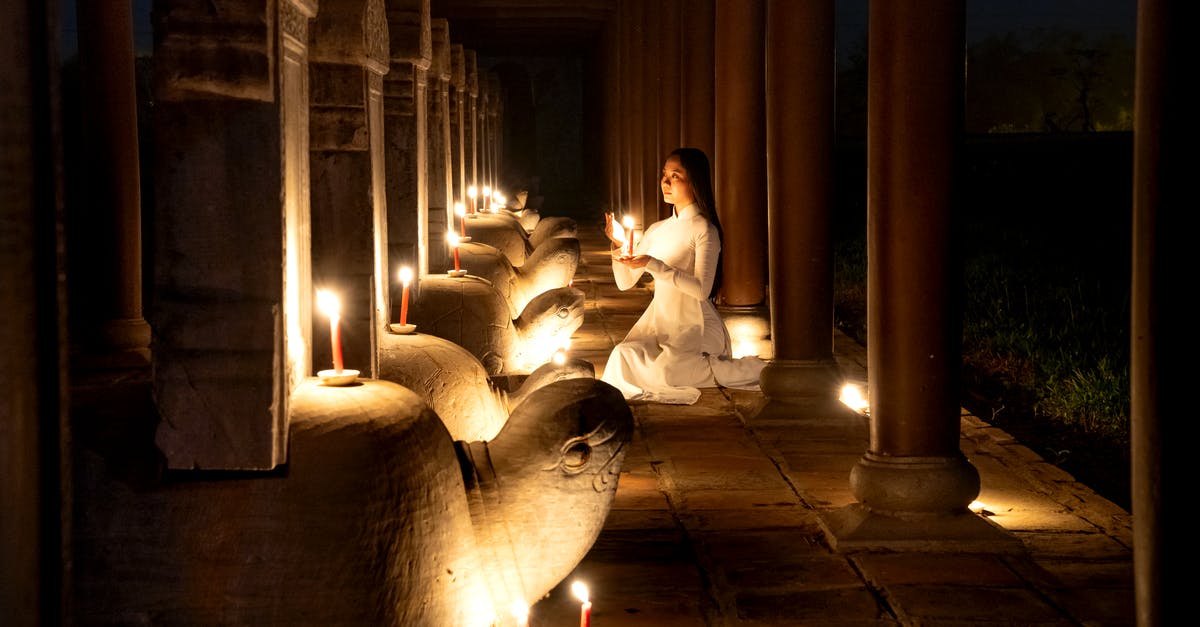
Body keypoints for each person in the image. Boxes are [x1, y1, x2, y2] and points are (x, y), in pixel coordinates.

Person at [600, 147, 766, 404]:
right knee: (622, 355)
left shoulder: (703, 230)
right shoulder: (657, 229)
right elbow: (625, 282)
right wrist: (619, 245)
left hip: (697, 323)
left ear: (694, 182)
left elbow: (702, 290)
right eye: (664, 175)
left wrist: (653, 264)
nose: (665, 182)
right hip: (662, 321)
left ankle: (750, 369)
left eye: (675, 176)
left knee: (669, 369)